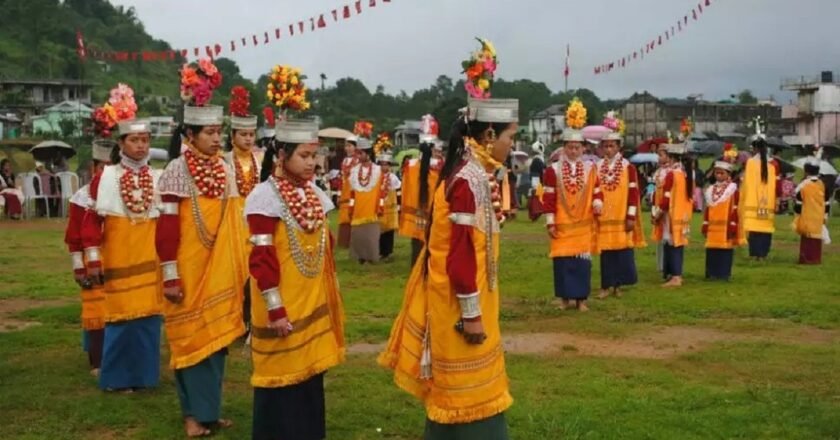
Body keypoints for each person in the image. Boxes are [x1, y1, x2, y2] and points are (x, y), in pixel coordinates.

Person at [379, 90, 518, 439]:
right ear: (489, 135)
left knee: (460, 391)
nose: (511, 145)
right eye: (510, 137)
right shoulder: (467, 181)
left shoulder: (473, 174)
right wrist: (471, 316)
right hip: (458, 305)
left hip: (465, 298)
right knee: (463, 391)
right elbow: (459, 254)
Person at [155, 59, 247, 437]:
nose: (215, 138)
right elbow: (166, 228)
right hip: (187, 270)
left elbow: (236, 218)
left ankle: (209, 413)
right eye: (207, 132)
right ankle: (192, 415)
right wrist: (170, 274)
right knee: (190, 342)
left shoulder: (225, 168)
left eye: (217, 131)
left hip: (221, 268)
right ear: (189, 135)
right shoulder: (177, 169)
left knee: (217, 342)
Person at [245, 118, 345, 440]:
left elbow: (324, 246)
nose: (312, 163)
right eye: (303, 155)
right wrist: (275, 308)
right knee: (280, 383)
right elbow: (262, 260)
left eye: (314, 155)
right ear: (281, 156)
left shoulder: (314, 194)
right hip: (281, 305)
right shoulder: (264, 198)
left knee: (310, 381)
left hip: (311, 303)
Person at [80, 116, 164, 392]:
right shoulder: (105, 177)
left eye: (145, 140)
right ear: (121, 143)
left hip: (150, 257)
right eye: (134, 140)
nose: (141, 146)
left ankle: (144, 378)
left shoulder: (157, 177)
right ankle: (116, 380)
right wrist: (93, 260)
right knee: (120, 320)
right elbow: (90, 221)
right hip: (118, 256)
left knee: (148, 320)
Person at [64, 140, 113, 375]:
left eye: (110, 167)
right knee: (96, 312)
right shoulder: (81, 198)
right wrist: (79, 267)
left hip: (121, 258)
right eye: (101, 167)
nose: (105, 172)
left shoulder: (122, 193)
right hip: (92, 262)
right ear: (93, 168)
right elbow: (74, 237)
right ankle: (98, 362)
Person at [543, 127, 603, 311]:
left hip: (583, 224)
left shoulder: (590, 168)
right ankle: (565, 299)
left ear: (583, 148)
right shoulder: (553, 170)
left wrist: (598, 202)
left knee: (582, 263)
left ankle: (581, 300)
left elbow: (597, 189)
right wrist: (550, 221)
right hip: (562, 223)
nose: (574, 151)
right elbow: (549, 198)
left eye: (577, 147)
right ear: (564, 148)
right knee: (562, 263)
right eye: (570, 147)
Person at [225, 86, 261, 336]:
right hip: (231, 224)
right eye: (243, 134)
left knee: (254, 275)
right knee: (233, 276)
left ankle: (251, 322)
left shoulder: (261, 159)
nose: (248, 139)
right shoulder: (223, 160)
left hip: (254, 224)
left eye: (251, 134)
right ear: (232, 136)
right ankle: (232, 323)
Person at [595, 131, 645, 300]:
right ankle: (605, 286)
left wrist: (631, 216)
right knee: (606, 253)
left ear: (618, 147)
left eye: (612, 146)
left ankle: (617, 286)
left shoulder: (627, 167)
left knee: (621, 252)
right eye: (606, 146)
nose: (608, 149)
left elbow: (633, 192)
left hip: (621, 216)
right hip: (603, 216)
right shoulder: (597, 166)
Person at [399, 115, 443, 267]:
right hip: (435, 215)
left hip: (416, 216)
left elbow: (405, 191)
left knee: (417, 247)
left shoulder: (410, 166)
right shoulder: (440, 167)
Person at [652, 143, 693, 287]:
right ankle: (673, 273)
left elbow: (667, 197)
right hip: (682, 213)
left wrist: (658, 213)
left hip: (671, 213)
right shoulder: (685, 173)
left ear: (670, 157)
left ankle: (675, 276)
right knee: (676, 242)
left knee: (672, 242)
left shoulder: (672, 174)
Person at [739, 137, 778, 260]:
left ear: (755, 149)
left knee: (754, 229)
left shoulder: (751, 163)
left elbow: (748, 183)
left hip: (753, 201)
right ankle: (763, 254)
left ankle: (754, 254)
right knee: (766, 228)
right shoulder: (772, 165)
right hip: (767, 203)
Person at [348, 137, 384, 264]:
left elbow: (381, 192)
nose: (358, 156)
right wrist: (351, 207)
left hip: (372, 207)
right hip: (358, 207)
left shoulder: (378, 170)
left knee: (371, 234)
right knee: (358, 233)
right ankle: (360, 256)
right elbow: (352, 192)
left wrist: (380, 206)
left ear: (368, 154)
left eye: (360, 153)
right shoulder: (354, 170)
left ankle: (371, 256)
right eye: (357, 153)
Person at [702, 161, 740, 280]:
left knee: (724, 250)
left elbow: (735, 207)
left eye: (721, 173)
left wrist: (733, 223)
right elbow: (708, 209)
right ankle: (711, 273)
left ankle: (723, 274)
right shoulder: (710, 189)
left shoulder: (732, 189)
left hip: (726, 225)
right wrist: (705, 223)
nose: (718, 175)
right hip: (713, 227)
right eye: (716, 173)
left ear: (728, 174)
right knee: (712, 249)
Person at [794, 160, 829, 265]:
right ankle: (815, 259)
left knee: (807, 238)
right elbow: (826, 203)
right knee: (816, 238)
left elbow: (798, 203)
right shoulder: (822, 184)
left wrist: (797, 213)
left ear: (806, 172)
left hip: (806, 215)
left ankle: (806, 259)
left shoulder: (804, 185)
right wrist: (825, 216)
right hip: (819, 216)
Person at [377, 143, 401, 261]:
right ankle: (380, 251)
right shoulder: (376, 177)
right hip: (379, 206)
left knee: (389, 230)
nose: (384, 167)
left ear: (390, 166)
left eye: (386, 164)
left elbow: (398, 191)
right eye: (382, 164)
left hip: (390, 206)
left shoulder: (393, 178)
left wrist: (399, 206)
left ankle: (388, 251)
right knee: (379, 229)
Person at [650, 142, 670, 274]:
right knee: (660, 234)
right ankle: (661, 265)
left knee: (667, 235)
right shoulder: (659, 171)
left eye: (661, 155)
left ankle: (668, 265)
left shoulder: (671, 171)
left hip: (667, 206)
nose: (659, 158)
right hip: (657, 204)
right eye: (658, 155)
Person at [337, 136, 359, 248]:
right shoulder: (345, 160)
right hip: (345, 189)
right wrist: (339, 193)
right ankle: (344, 241)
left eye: (350, 146)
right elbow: (342, 177)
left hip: (355, 190)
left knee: (354, 213)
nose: (347, 148)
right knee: (344, 214)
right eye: (346, 146)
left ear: (356, 147)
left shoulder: (358, 160)